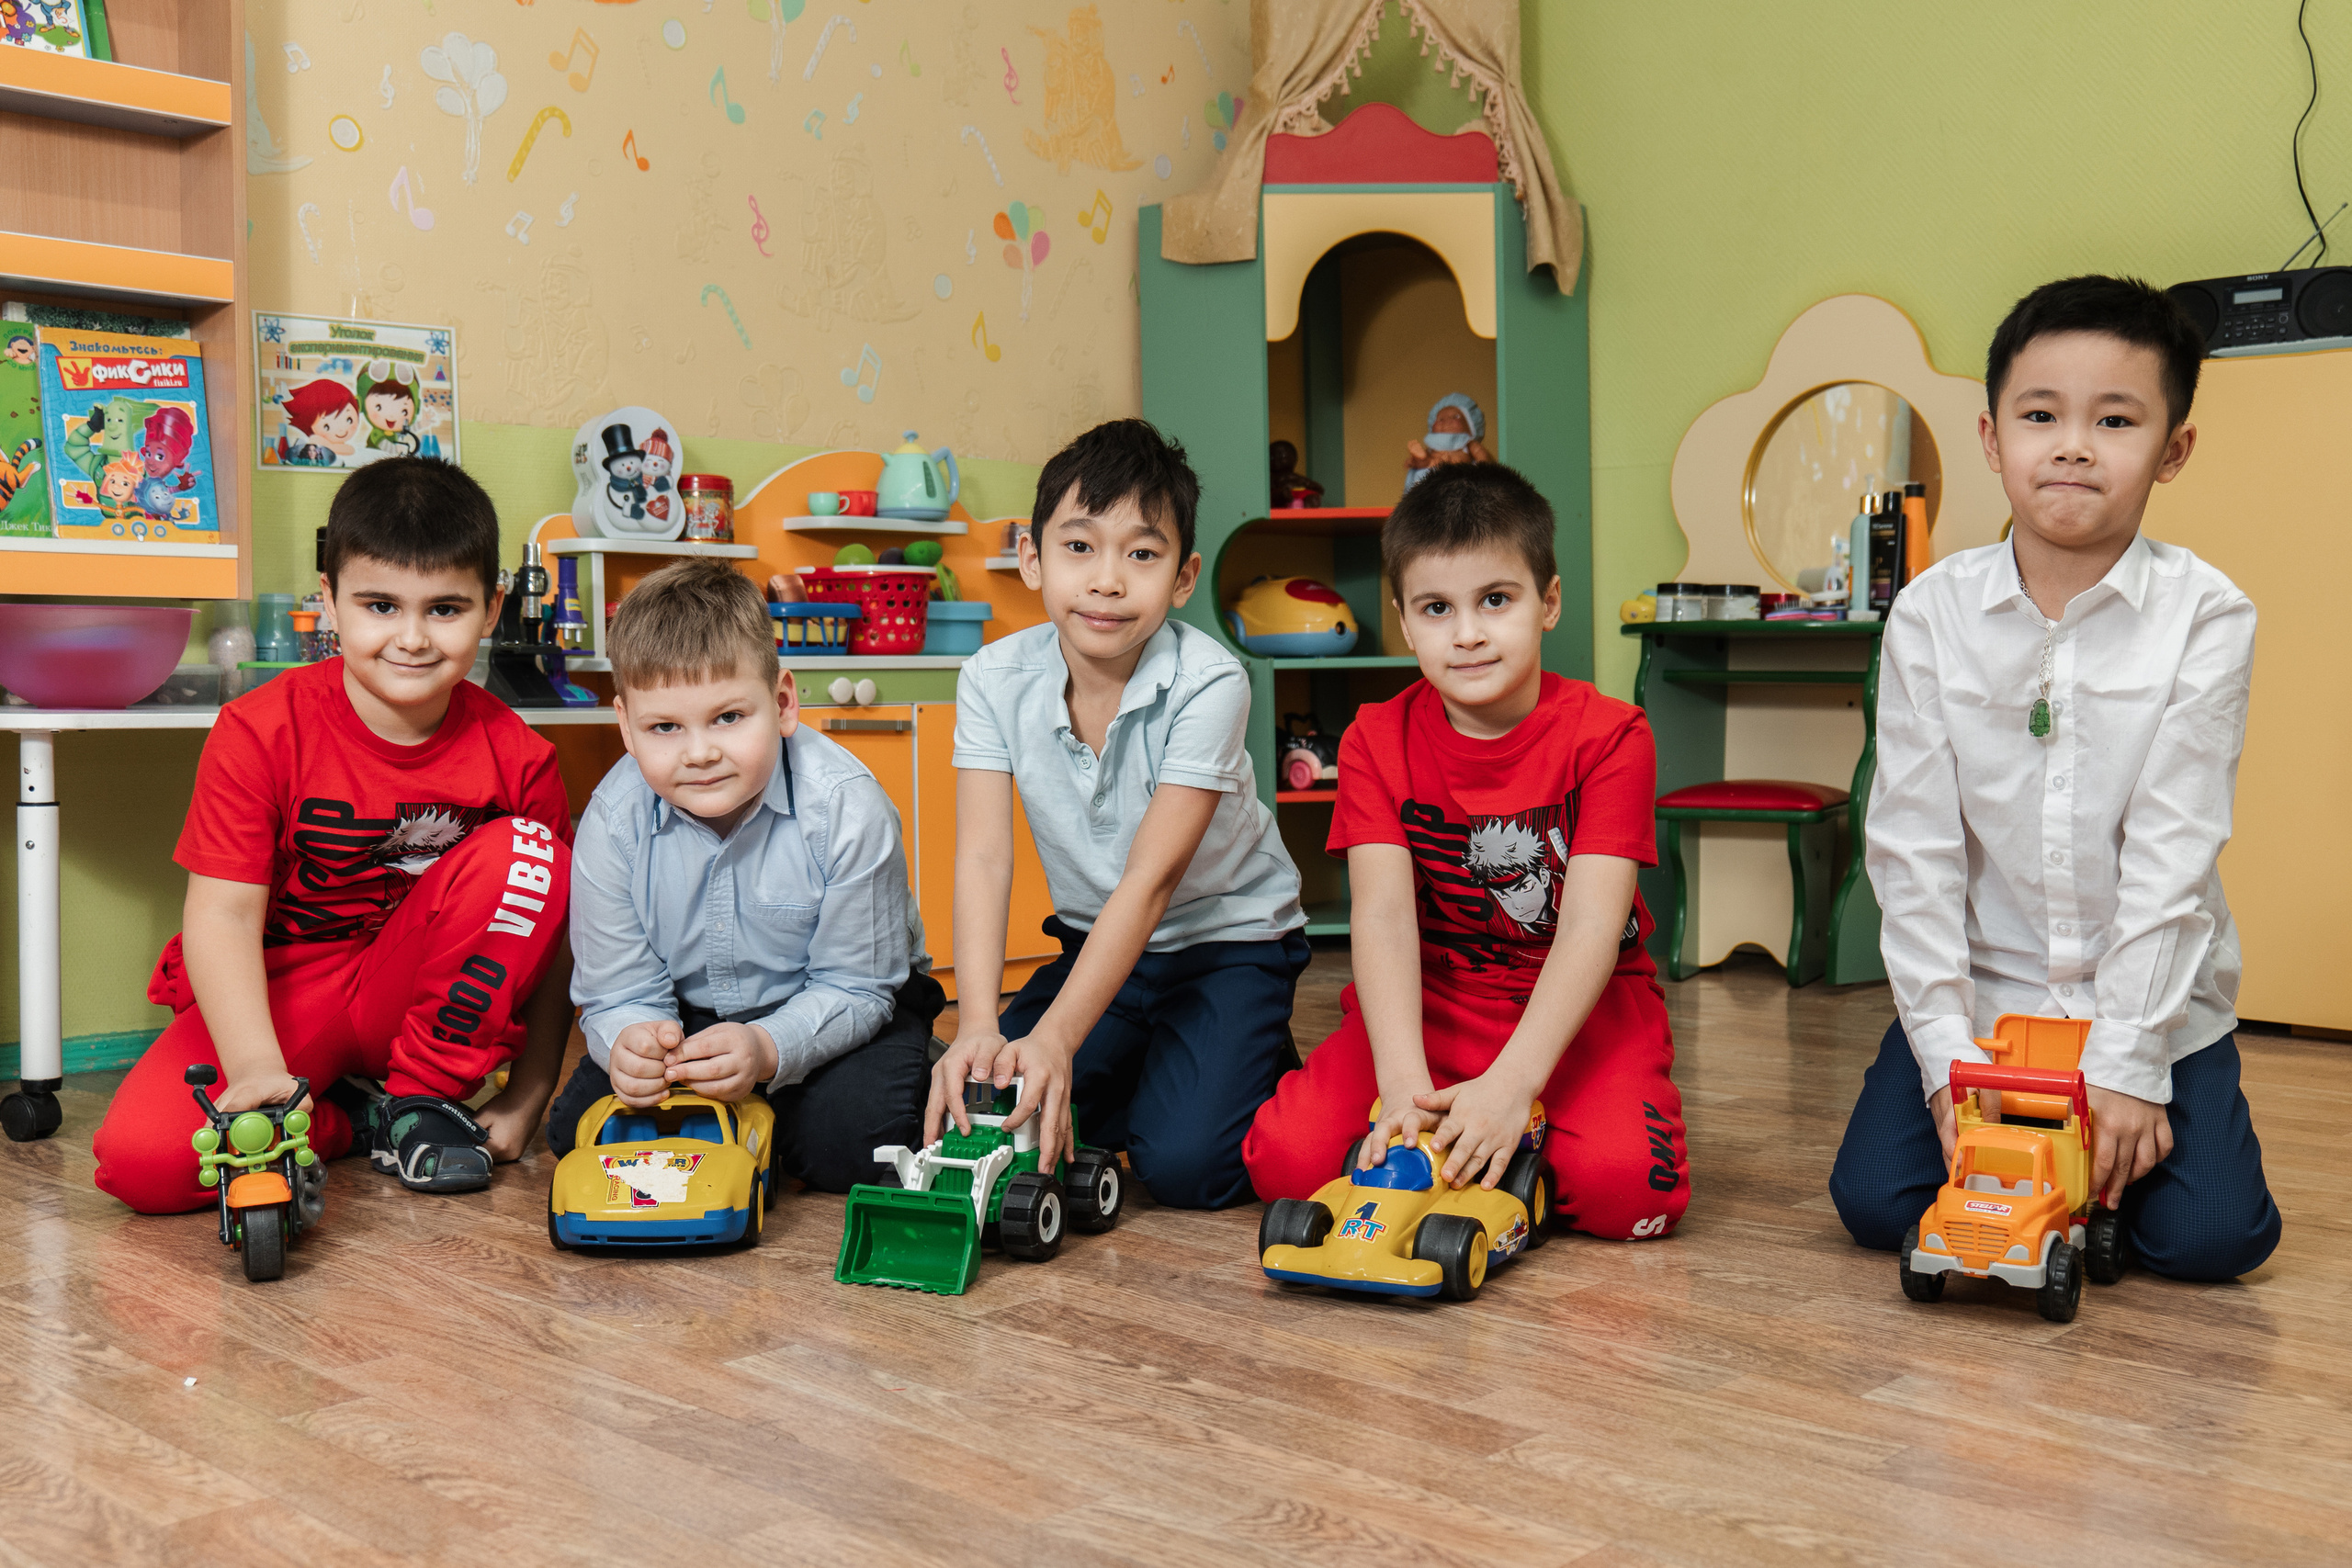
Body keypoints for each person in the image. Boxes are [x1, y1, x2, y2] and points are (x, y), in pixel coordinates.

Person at [1828, 274, 2282, 1281]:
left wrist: (2125, 1068)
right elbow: (1913, 855)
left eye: (2114, 419)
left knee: (2209, 1241)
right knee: (1875, 1203)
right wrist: (1950, 1067)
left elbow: (2174, 855)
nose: (2072, 444)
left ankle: (2101, 1173)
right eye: (2040, 415)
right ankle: (2065, 1188)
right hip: (1990, 995)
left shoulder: (2206, 616)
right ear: (1992, 440)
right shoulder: (1931, 616)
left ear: (2171, 451)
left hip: (2148, 1002)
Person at [92, 457, 577, 1210]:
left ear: (491, 608)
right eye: (380, 605)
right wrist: (255, 1068)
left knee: (531, 853)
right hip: (286, 991)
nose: (412, 637)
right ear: (329, 599)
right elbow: (222, 913)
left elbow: (552, 945)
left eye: (445, 608)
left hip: (419, 1006)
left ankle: (420, 1099)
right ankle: (354, 1118)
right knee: (143, 1160)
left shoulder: (520, 757)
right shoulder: (258, 730)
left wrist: (530, 1094)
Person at [1243, 462, 1689, 1242]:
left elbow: (1590, 926)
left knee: (1631, 1197)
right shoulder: (1375, 740)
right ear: (1405, 623)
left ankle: (1511, 1129)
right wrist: (1404, 1086)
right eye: (1437, 608)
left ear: (1547, 602)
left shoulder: (1614, 736)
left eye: (1495, 599)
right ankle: (1469, 1126)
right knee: (1282, 1161)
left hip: (1577, 1006)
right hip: (1437, 1001)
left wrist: (1516, 1082)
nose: (1469, 632)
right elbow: (1380, 919)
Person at [935, 418, 1308, 1210]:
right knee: (1000, 1113)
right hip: (1096, 945)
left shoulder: (1212, 682)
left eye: (1141, 554)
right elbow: (982, 857)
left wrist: (1059, 1037)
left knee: (1182, 1167)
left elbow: (1152, 877)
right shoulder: (991, 678)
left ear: (1182, 577)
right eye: (1079, 547)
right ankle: (1161, 1060)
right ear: (1032, 558)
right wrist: (977, 1025)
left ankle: (1256, 1056)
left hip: (1224, 943)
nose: (1107, 580)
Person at [549, 558, 943, 1188]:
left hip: (847, 1005)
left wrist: (765, 1051)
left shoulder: (845, 805)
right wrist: (632, 1043)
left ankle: (894, 1072)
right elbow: (616, 993)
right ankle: (761, 1113)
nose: (700, 752)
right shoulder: (611, 821)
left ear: (782, 702)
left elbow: (857, 985)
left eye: (728, 717)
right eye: (665, 727)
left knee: (854, 1147)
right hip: (692, 1017)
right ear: (626, 726)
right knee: (578, 1128)